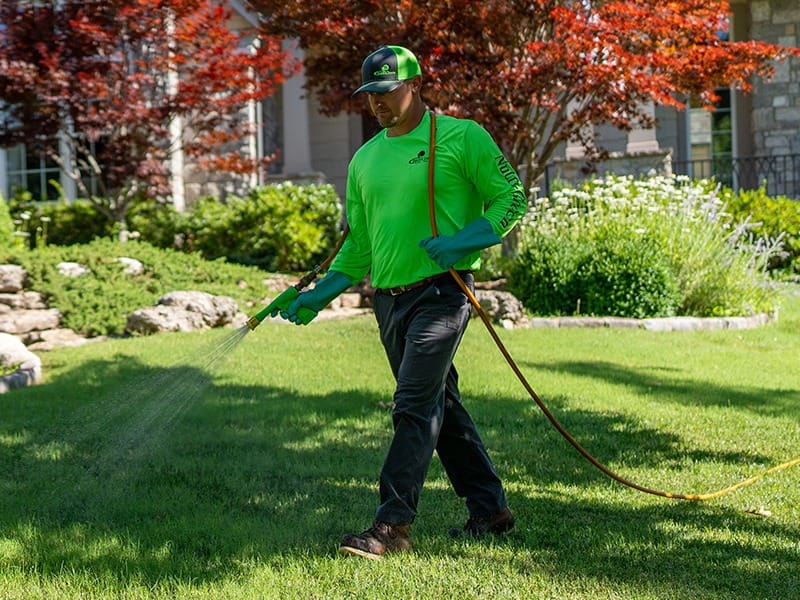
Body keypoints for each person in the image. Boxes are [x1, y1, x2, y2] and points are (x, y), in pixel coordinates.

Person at [276, 45, 526, 559]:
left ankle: (392, 525)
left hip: (443, 293)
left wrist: (462, 242)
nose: (379, 104)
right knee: (441, 406)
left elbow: (512, 198)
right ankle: (490, 509)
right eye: (371, 95)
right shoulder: (365, 160)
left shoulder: (461, 137)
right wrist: (317, 296)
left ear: (415, 84)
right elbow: (359, 245)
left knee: (412, 404)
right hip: (388, 304)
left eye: (388, 92)